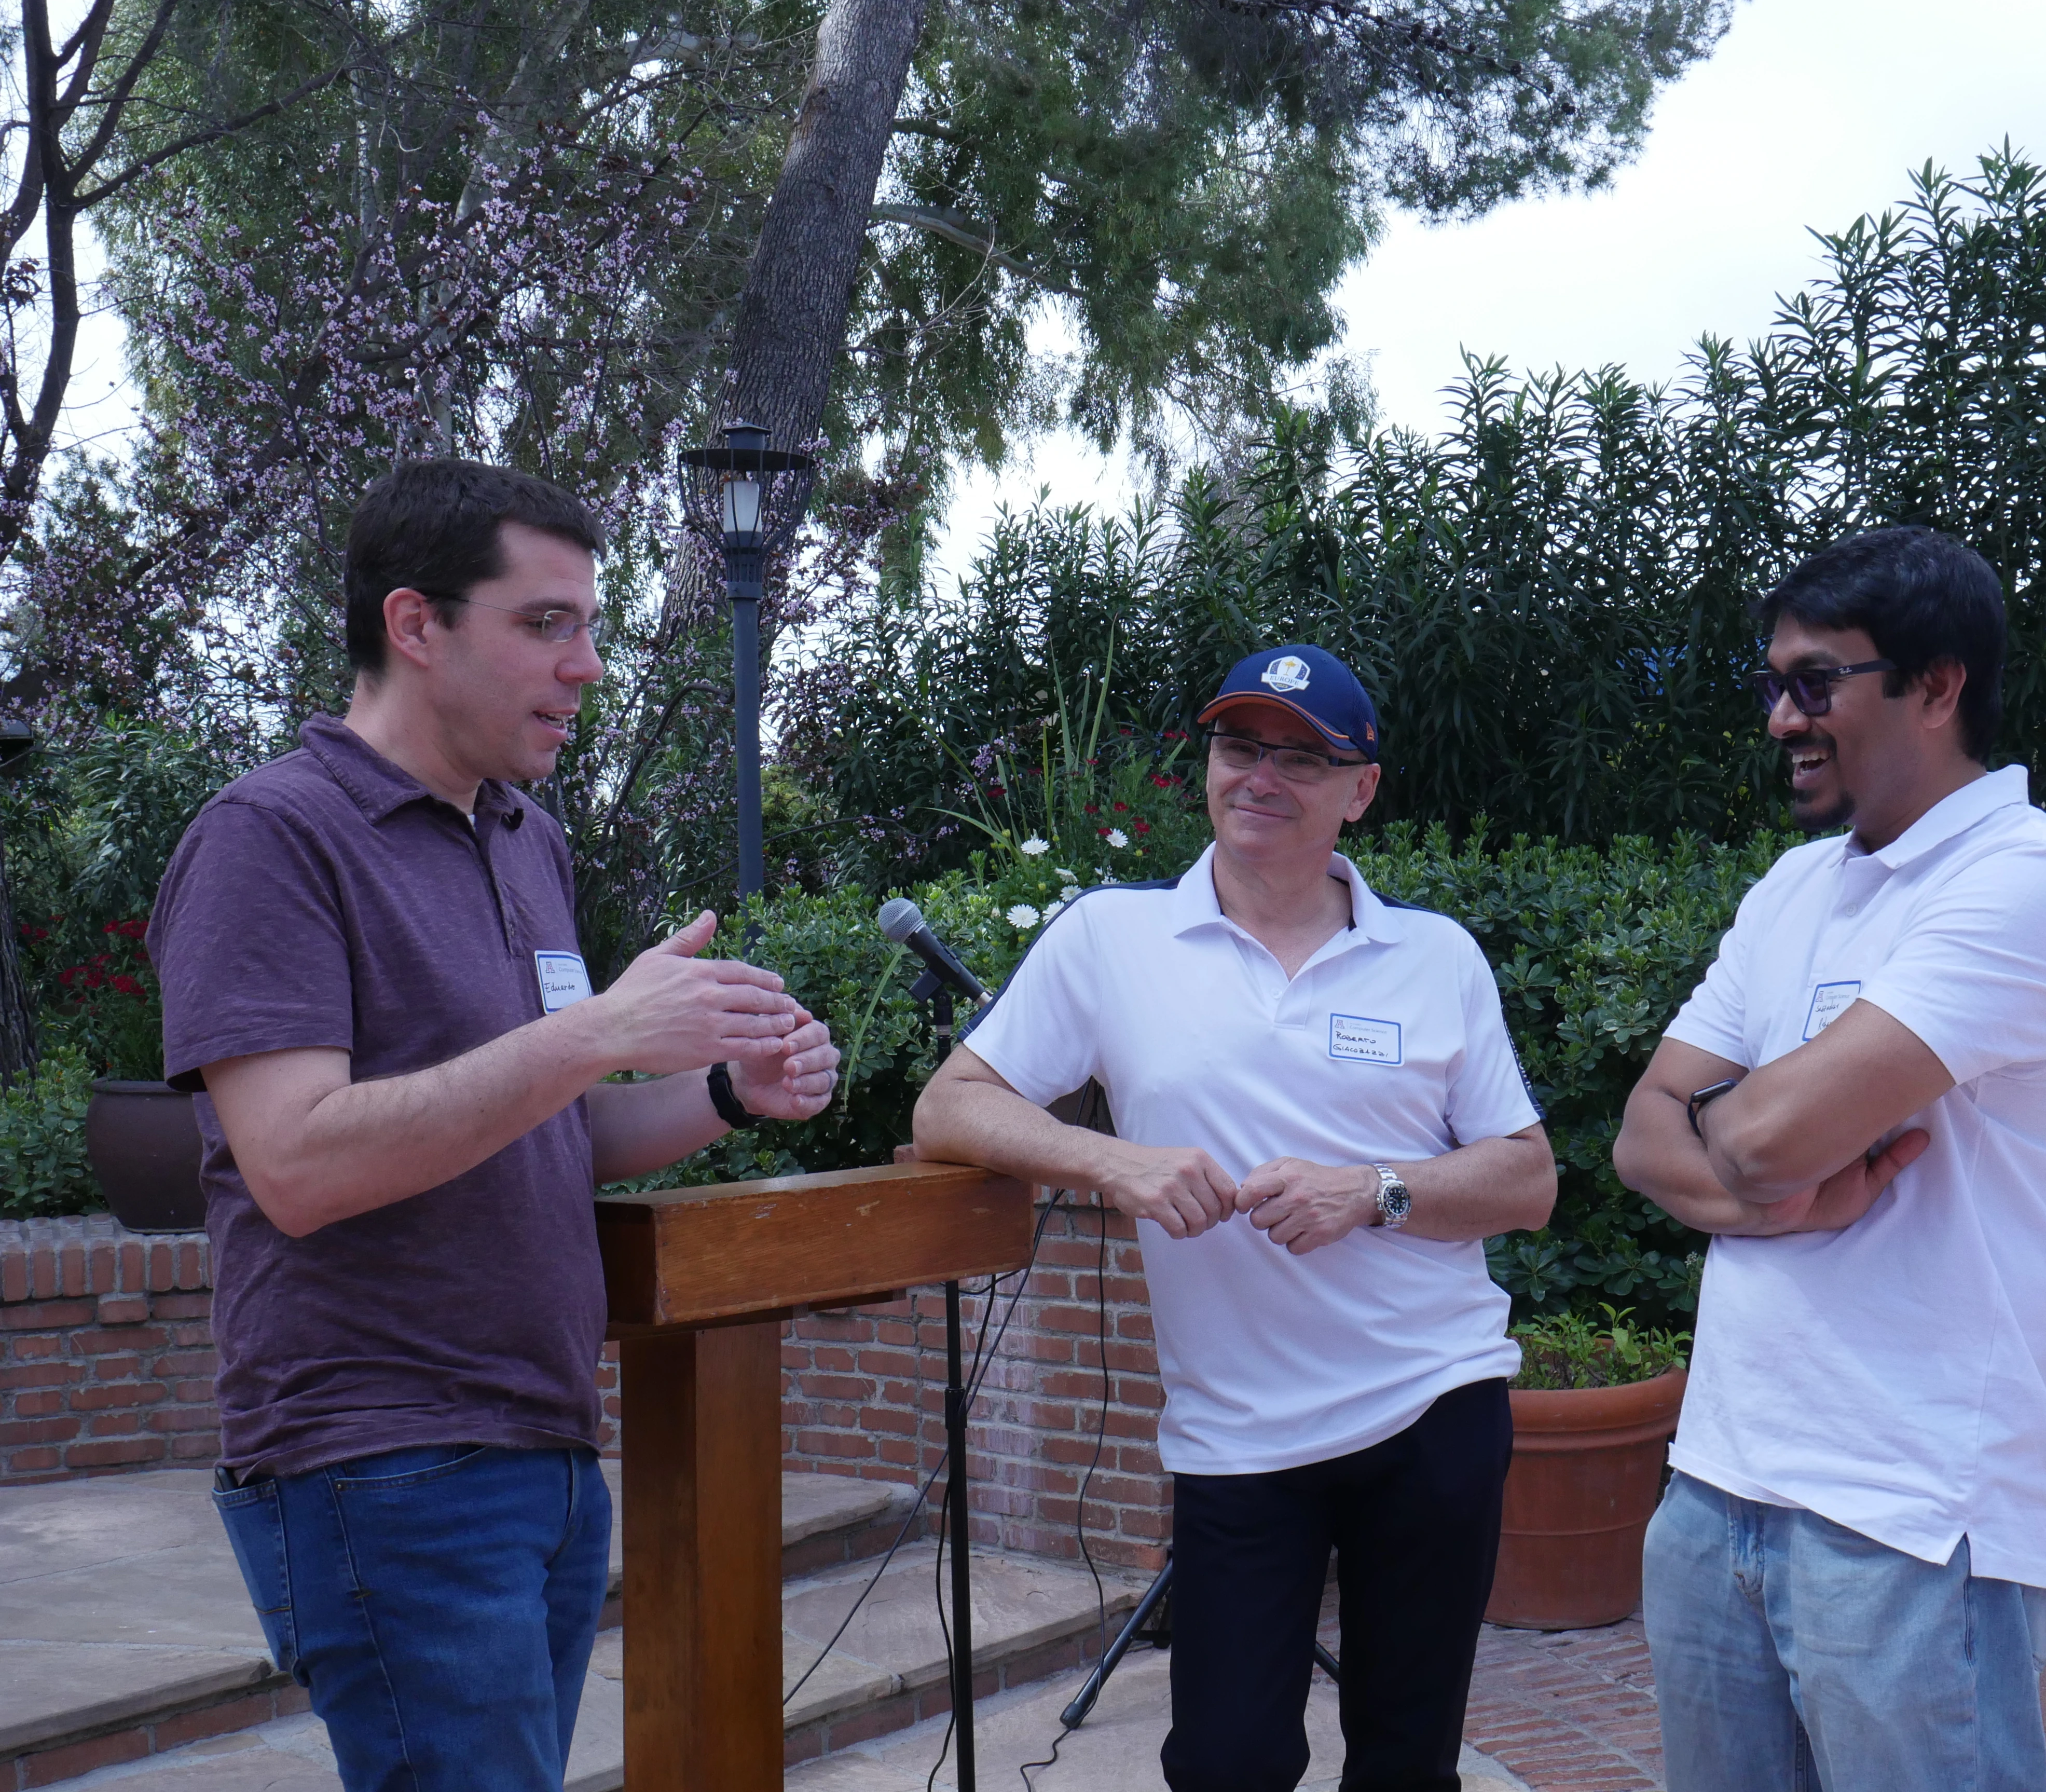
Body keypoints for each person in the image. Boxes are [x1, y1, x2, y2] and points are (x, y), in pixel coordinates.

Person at [148, 459, 842, 1792]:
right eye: (545, 624)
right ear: (416, 626)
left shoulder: (527, 840)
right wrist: (596, 1032)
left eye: (589, 626)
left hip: (543, 1453)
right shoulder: (271, 841)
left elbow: (546, 1132)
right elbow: (295, 1163)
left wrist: (714, 1094)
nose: (586, 665)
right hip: (382, 1460)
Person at [911, 644, 1556, 1792]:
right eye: (1238, 746)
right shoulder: (1110, 940)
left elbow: (1529, 1180)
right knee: (1224, 1761)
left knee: (1408, 1764)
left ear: (1361, 789)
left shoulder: (1434, 956)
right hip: (1238, 1434)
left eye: (1302, 758)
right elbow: (952, 1107)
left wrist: (1377, 1192)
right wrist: (1111, 1162)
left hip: (1433, 1406)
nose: (1260, 775)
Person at [1612, 525, 2046, 1790]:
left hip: (1911, 1517)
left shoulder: (2028, 884)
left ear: (1938, 684)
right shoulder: (1794, 889)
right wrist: (1780, 1206)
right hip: (1717, 1485)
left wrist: (1737, 1129)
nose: (1783, 718)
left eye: (1816, 682)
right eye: (1772, 684)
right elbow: (1638, 1136)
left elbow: (1761, 1130)